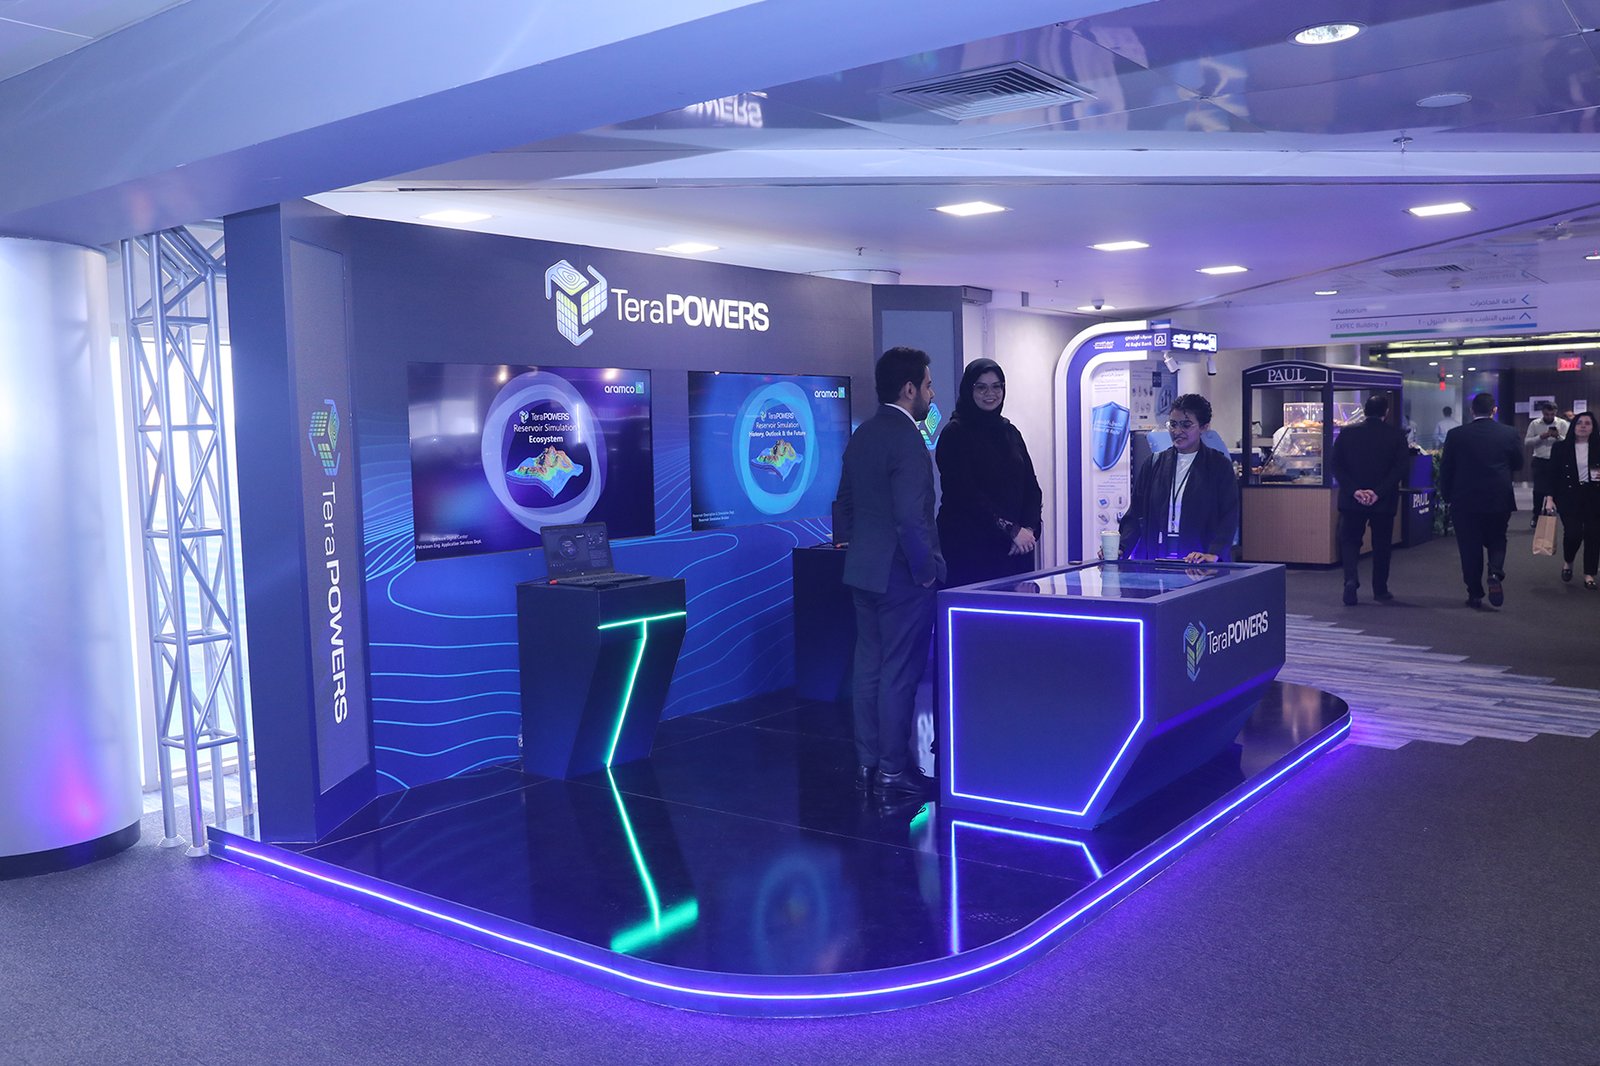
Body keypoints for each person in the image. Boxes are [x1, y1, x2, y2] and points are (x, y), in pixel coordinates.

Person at [834, 346, 945, 796]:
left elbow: (844, 504)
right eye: (929, 385)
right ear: (909, 389)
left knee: (869, 670)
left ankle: (869, 765)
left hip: (863, 572)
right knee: (899, 673)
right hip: (902, 577)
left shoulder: (863, 433)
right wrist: (926, 571)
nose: (932, 394)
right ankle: (893, 771)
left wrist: (862, 547)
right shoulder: (908, 440)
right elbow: (911, 519)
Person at [935, 358, 1043, 588]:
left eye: (996, 386)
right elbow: (964, 496)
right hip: (972, 551)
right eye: (981, 387)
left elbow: (1031, 488)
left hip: (1016, 551)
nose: (990, 394)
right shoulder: (955, 434)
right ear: (969, 389)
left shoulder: (1010, 432)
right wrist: (1011, 530)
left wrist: (1028, 530)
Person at [1117, 394, 1238, 563]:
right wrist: (1121, 548)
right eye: (1173, 424)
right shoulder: (1154, 463)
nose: (1177, 431)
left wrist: (1214, 553)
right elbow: (1136, 513)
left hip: (1198, 561)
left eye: (1186, 425)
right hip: (1156, 558)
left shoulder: (1218, 466)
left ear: (1204, 427)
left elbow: (1229, 516)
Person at [1440, 392, 1523, 609]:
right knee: (1497, 538)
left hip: (1464, 499)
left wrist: (1447, 496)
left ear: (1471, 411)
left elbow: (1446, 469)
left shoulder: (1456, 435)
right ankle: (1495, 572)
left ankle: (1475, 593)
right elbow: (1518, 463)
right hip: (1498, 496)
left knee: (1469, 546)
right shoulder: (1509, 433)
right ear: (1494, 410)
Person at [1330, 394, 1411, 605]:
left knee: (1349, 541)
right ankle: (1380, 589)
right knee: (1382, 545)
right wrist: (1378, 492)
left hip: (1352, 500)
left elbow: (1336, 465)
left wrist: (1354, 490)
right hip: (1383, 501)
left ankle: (1350, 579)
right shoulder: (1396, 436)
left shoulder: (1347, 433)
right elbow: (1400, 468)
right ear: (1386, 412)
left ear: (1365, 411)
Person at [1549, 410, 1600, 589]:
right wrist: (1549, 498)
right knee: (1573, 533)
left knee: (1593, 534)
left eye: (1587, 423)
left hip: (1594, 496)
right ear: (1573, 426)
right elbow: (1552, 474)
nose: (1583, 426)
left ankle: (1589, 574)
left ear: (1593, 428)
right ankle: (1568, 561)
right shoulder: (1560, 448)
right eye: (1579, 423)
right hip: (1569, 496)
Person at [1524, 401, 1569, 526]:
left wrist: (1558, 437)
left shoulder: (1562, 424)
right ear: (1542, 412)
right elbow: (1527, 442)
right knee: (1538, 491)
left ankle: (1562, 515)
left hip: (1557, 461)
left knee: (1558, 488)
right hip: (1540, 461)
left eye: (1551, 414)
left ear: (1556, 412)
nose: (1549, 417)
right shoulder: (1535, 424)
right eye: (1546, 414)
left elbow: (1568, 442)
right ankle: (1536, 515)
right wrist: (1541, 437)